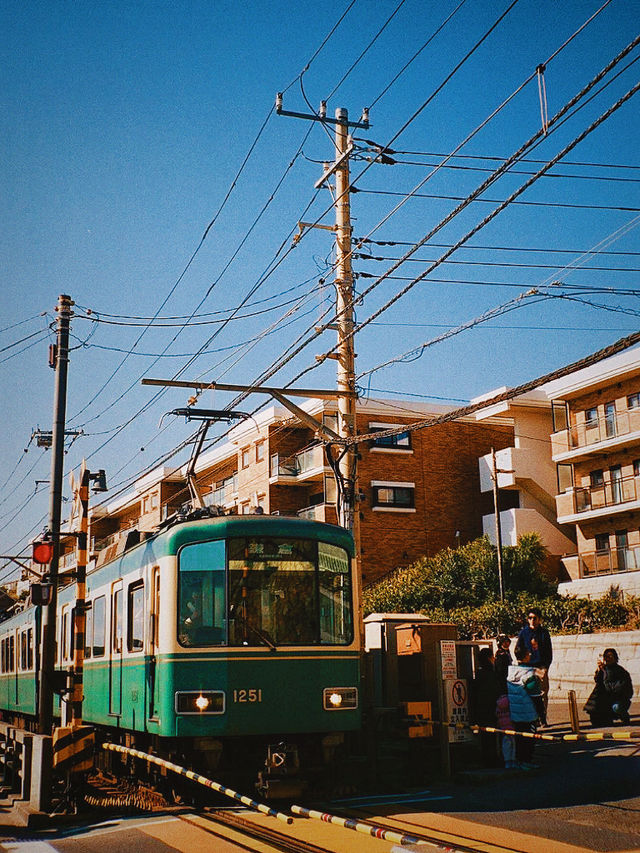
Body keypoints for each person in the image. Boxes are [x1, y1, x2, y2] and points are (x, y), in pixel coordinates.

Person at [507, 645, 542, 769]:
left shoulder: (511, 672)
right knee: (529, 738)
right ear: (526, 656)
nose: (531, 655)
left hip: (515, 712)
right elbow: (536, 695)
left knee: (519, 738)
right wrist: (541, 714)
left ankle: (520, 761)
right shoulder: (528, 674)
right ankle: (527, 761)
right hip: (528, 712)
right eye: (529, 653)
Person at [515, 607, 552, 724]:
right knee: (529, 695)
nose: (532, 620)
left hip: (540, 666)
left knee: (543, 693)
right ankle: (533, 718)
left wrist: (545, 667)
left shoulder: (544, 633)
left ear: (539, 619)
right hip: (527, 667)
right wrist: (521, 665)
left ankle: (543, 717)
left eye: (534, 618)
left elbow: (548, 652)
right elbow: (518, 649)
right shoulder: (523, 633)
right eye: (530, 618)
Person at [584, 648, 633, 726]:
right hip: (606, 697)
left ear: (615, 657)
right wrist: (600, 670)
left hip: (618, 697)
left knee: (616, 707)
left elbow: (618, 687)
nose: (608, 658)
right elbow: (598, 681)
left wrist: (606, 672)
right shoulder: (604, 669)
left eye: (610, 656)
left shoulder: (621, 671)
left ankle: (623, 716)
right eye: (606, 656)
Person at [470, 647, 501, 766]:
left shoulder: (479, 674)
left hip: (481, 709)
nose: (494, 659)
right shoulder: (491, 674)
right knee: (492, 735)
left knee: (485, 736)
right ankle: (492, 759)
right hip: (491, 709)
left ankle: (486, 759)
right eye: (492, 657)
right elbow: (496, 691)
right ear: (489, 658)